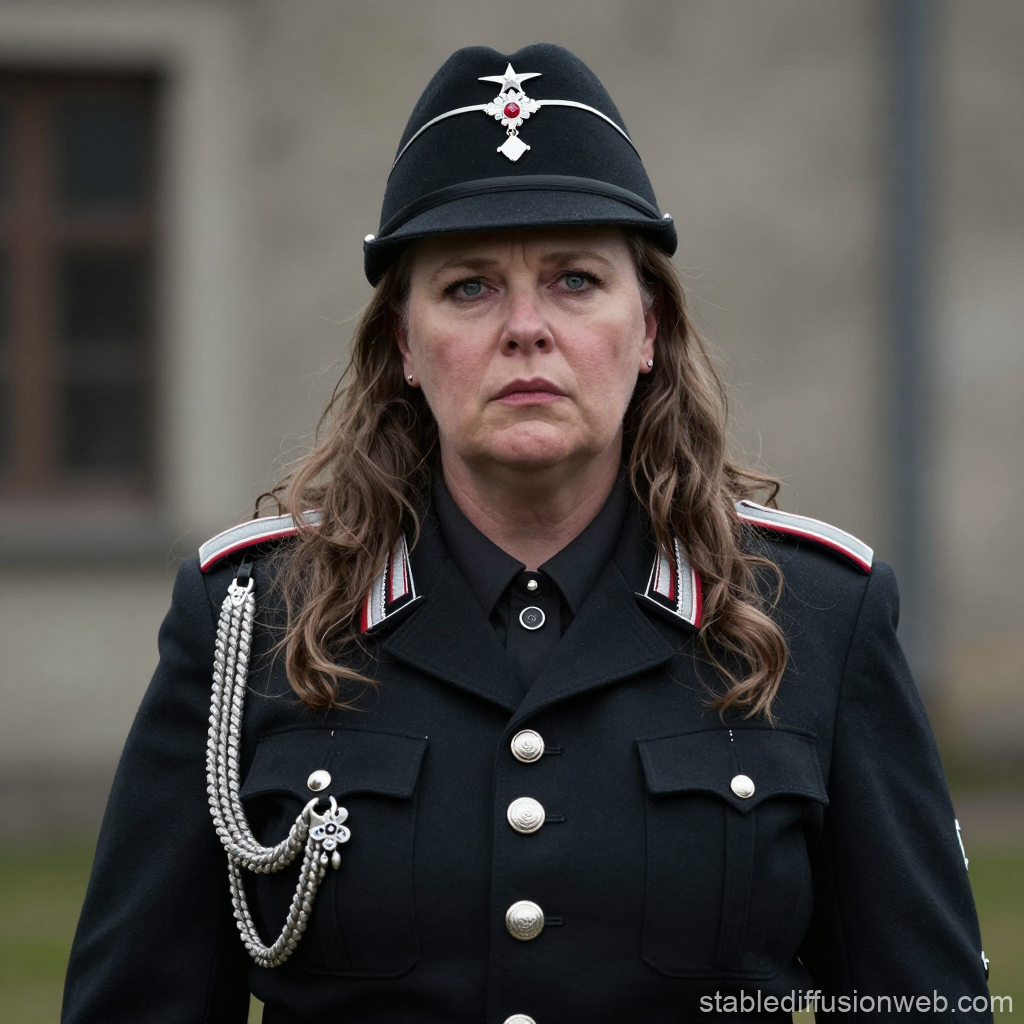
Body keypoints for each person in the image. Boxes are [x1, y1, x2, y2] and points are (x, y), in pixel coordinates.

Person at [63, 44, 991, 1024]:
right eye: (468, 286)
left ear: (647, 332)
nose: (525, 329)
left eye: (574, 280)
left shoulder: (815, 613)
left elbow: (920, 1002)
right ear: (404, 346)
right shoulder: (248, 616)